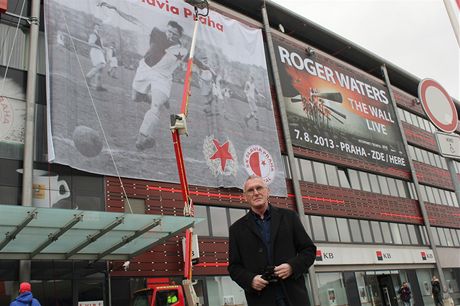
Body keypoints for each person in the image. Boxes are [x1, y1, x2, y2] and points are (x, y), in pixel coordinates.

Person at [228, 175, 316, 306]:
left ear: (267, 191)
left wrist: (292, 266)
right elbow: (234, 267)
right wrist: (250, 280)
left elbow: (309, 250)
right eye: (251, 190)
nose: (256, 193)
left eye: (259, 188)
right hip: (261, 299)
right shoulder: (236, 229)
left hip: (294, 297)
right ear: (245, 196)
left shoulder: (289, 217)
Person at [133, 20, 187, 150]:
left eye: (174, 34)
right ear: (165, 29)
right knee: (136, 97)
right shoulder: (156, 33)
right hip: (145, 69)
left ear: (179, 36)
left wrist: (206, 68)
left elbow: (194, 61)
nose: (170, 35)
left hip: (162, 78)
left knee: (155, 107)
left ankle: (142, 138)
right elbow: (135, 21)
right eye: (169, 31)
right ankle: (161, 100)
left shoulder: (181, 50)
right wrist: (115, 9)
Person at [85, 23, 107, 91]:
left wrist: (103, 48)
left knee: (100, 69)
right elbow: (90, 43)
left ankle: (98, 86)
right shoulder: (93, 34)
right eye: (97, 27)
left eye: (99, 27)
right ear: (94, 28)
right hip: (95, 51)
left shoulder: (98, 36)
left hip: (99, 52)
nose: (98, 28)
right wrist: (99, 48)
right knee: (101, 65)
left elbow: (100, 45)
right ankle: (88, 76)